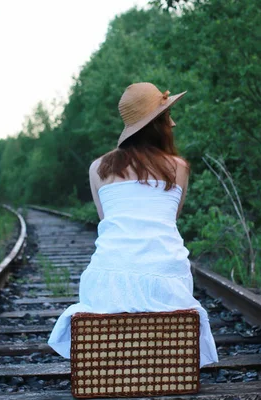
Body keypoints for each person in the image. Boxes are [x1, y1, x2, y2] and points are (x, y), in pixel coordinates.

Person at [47, 82, 219, 367]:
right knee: (166, 263)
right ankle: (162, 360)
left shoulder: (98, 168)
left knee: (115, 267)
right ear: (157, 125)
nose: (173, 123)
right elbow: (168, 221)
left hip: (106, 282)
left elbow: (109, 223)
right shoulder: (180, 168)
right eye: (167, 117)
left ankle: (115, 358)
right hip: (167, 284)